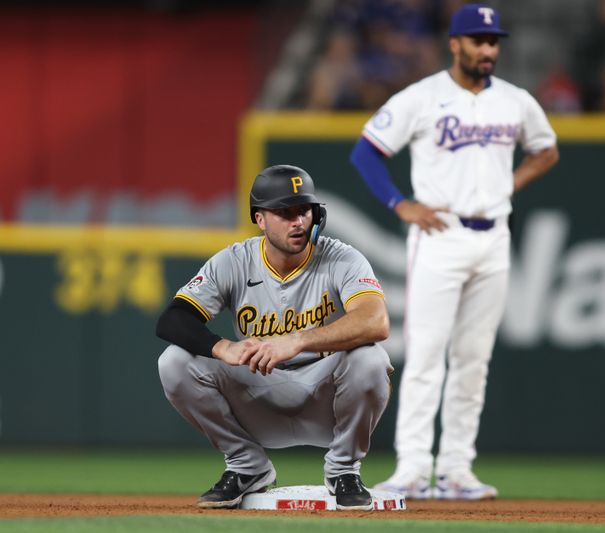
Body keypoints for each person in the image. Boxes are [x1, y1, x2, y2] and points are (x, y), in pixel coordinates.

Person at [350, 4, 559, 500]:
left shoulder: (515, 100)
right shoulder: (422, 97)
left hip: (494, 239)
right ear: (455, 44)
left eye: (493, 42)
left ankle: (457, 470)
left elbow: (546, 149)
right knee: (425, 356)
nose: (488, 50)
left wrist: (510, 183)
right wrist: (400, 203)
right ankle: (413, 469)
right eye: (478, 41)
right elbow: (367, 151)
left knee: (473, 359)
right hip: (440, 237)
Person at [155, 164, 393, 511]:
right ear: (260, 219)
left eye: (304, 210)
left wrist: (299, 339)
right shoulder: (234, 261)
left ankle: (344, 471)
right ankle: (246, 466)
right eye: (284, 212)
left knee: (371, 359)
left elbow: (376, 321)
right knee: (173, 362)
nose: (298, 221)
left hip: (325, 393)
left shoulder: (342, 257)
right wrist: (224, 347)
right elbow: (172, 319)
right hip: (258, 391)